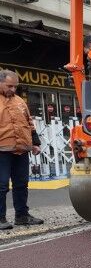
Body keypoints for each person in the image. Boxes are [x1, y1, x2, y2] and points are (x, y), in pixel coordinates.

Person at [0, 70, 44, 229]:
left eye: (15, 86)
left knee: (21, 184)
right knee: (1, 185)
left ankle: (22, 216)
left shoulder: (19, 101)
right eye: (9, 86)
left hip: (21, 149)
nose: (13, 89)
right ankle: (1, 218)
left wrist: (35, 143)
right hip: (2, 150)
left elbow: (29, 122)